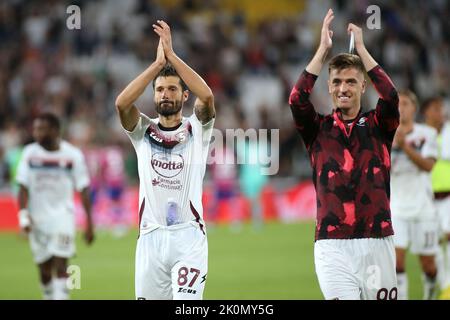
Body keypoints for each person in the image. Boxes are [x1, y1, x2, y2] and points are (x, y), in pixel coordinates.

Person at [289, 9, 399, 300]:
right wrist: (323, 50)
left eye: (351, 81)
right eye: (336, 82)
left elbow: (390, 96)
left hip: (377, 239)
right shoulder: (317, 130)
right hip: (331, 245)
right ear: (328, 87)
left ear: (363, 85)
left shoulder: (379, 125)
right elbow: (297, 99)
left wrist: (362, 50)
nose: (343, 88)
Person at [115, 20, 215, 300]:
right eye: (160, 90)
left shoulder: (197, 129)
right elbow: (122, 103)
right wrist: (157, 67)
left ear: (184, 95)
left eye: (172, 89)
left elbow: (206, 96)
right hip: (150, 238)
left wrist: (172, 58)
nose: (165, 94)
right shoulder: (142, 131)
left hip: (188, 237)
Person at [16, 113, 94, 300]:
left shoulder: (72, 155)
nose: (36, 133)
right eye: (35, 129)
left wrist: (89, 223)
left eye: (41, 129)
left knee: (61, 264)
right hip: (37, 220)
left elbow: (83, 189)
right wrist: (23, 216)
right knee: (44, 271)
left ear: (55, 130)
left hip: (63, 217)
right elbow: (22, 187)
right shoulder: (30, 153)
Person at [390, 90, 439, 299]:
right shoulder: (386, 134)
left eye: (406, 104)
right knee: (397, 262)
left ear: (414, 108)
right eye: (398, 104)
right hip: (397, 209)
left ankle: (430, 292)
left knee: (428, 265)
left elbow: (428, 166)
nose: (401, 108)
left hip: (423, 209)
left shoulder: (427, 133)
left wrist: (404, 147)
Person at [422, 97, 450, 299]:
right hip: (427, 199)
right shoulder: (420, 135)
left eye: (441, 109)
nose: (440, 113)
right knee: (432, 248)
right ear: (426, 112)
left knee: (448, 238)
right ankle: (441, 285)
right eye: (436, 109)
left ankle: (447, 287)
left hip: (448, 197)